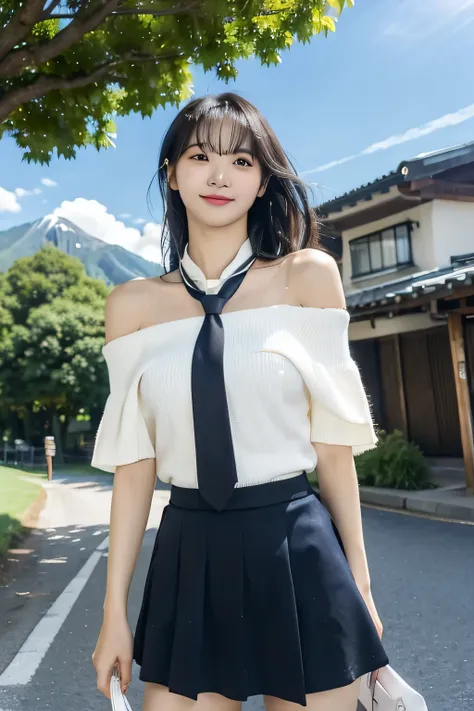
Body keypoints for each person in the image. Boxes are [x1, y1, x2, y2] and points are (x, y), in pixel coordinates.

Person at [91, 92, 390, 711]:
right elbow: (135, 466)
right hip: (189, 550)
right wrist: (113, 613)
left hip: (299, 546)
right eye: (200, 156)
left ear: (262, 183)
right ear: (171, 174)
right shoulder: (131, 306)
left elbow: (333, 452)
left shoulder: (306, 277)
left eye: (243, 162)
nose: (221, 175)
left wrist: (360, 585)